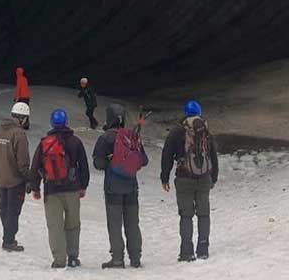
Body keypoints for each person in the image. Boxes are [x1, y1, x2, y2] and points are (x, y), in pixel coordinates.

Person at [29, 108, 90, 269]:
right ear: (66, 122)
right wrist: (83, 186)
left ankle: (59, 260)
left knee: (55, 226)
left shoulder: (45, 143)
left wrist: (36, 188)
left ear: (52, 123)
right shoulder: (75, 142)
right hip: (72, 189)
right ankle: (72, 257)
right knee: (73, 225)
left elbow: (35, 167)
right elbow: (83, 166)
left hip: (52, 191)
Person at [160, 99, 219, 261]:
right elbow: (213, 155)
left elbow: (166, 156)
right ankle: (203, 249)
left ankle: (186, 251)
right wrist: (213, 177)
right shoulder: (205, 130)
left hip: (184, 178)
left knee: (186, 215)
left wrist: (164, 177)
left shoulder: (177, 132)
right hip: (204, 178)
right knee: (204, 214)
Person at [91, 103, 148, 269]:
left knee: (115, 223)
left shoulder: (106, 138)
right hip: (131, 186)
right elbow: (143, 160)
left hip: (112, 188)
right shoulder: (131, 136)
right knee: (132, 223)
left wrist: (111, 160)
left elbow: (98, 163)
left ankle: (117, 258)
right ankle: (135, 257)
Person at [0, 101, 32, 252]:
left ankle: (7, 236)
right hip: (14, 179)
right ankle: (9, 241)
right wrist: (28, 178)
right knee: (13, 210)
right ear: (23, 118)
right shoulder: (19, 134)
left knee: (4, 208)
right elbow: (23, 160)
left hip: (0, 177)